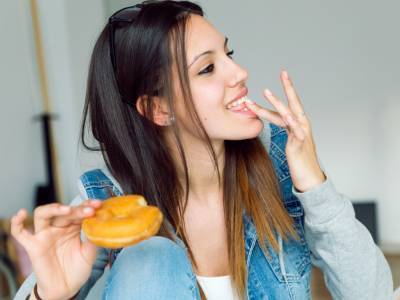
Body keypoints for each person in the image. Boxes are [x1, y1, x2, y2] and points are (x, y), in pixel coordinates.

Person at [11, 1, 393, 299]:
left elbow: (373, 295)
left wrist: (314, 184)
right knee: (151, 255)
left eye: (229, 54)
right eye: (208, 69)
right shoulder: (109, 203)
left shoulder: (279, 165)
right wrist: (50, 296)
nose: (239, 73)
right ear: (159, 108)